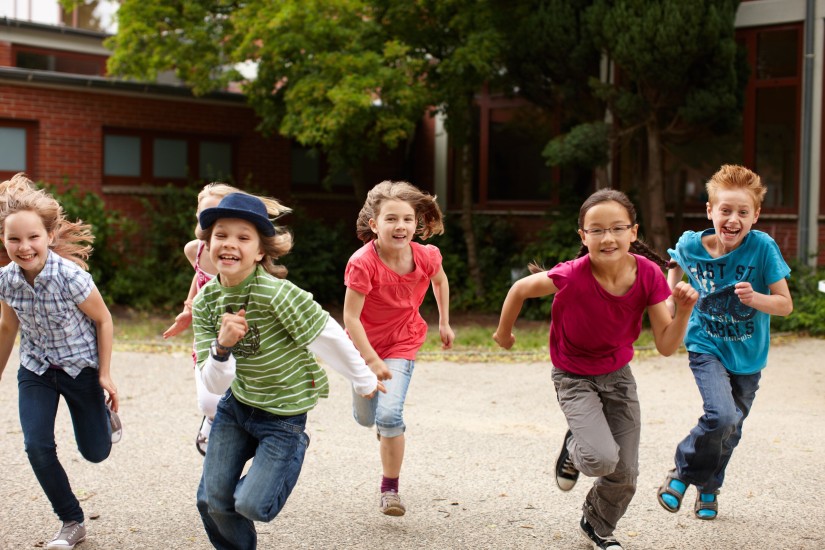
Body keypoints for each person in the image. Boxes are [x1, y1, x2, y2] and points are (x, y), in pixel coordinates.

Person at [493, 189, 698, 550]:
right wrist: (503, 332)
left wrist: (682, 313)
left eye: (618, 228)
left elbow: (666, 346)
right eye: (597, 230)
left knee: (626, 472)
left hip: (618, 377)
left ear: (633, 232)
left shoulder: (648, 275)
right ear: (583, 236)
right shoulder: (572, 275)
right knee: (600, 458)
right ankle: (575, 447)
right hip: (573, 376)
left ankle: (597, 525)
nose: (608, 238)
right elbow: (520, 288)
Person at [192, 192, 384, 550]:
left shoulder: (276, 294)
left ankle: (295, 446)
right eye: (221, 235)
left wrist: (363, 378)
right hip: (237, 407)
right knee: (210, 503)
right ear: (206, 245)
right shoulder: (205, 303)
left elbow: (326, 334)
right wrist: (222, 348)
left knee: (249, 504)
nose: (230, 244)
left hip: (283, 415)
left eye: (243, 237)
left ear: (261, 251)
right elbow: (214, 382)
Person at [656, 164, 792, 521]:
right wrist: (673, 295)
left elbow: (785, 304)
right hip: (706, 344)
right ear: (710, 211)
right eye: (726, 210)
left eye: (743, 212)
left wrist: (757, 299)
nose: (733, 219)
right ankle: (681, 473)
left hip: (749, 356)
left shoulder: (763, 249)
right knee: (721, 415)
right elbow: (675, 260)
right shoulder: (691, 242)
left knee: (730, 430)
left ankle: (709, 490)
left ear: (755, 216)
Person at [0, 174, 121, 550]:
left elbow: (104, 320)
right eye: (14, 239)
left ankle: (105, 417)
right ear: (4, 241)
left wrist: (104, 374)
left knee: (96, 452)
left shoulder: (70, 277)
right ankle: (71, 520)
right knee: (37, 446)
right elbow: (7, 327)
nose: (24, 247)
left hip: (80, 370)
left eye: (33, 237)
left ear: (49, 236)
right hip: (36, 370)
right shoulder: (5, 280)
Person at [343, 180, 454, 516]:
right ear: (374, 224)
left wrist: (444, 321)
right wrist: (372, 360)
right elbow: (350, 317)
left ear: (416, 224)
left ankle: (389, 489)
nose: (400, 226)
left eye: (407, 219)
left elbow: (440, 280)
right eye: (391, 219)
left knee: (390, 416)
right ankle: (382, 426)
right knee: (367, 418)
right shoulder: (363, 263)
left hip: (403, 341)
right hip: (364, 349)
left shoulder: (427, 256)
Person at [163, 182, 290, 456]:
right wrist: (188, 308)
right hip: (210, 330)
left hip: (246, 329)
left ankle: (264, 431)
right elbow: (199, 278)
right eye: (202, 213)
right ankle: (211, 420)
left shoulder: (244, 252)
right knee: (210, 403)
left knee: (242, 390)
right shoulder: (193, 250)